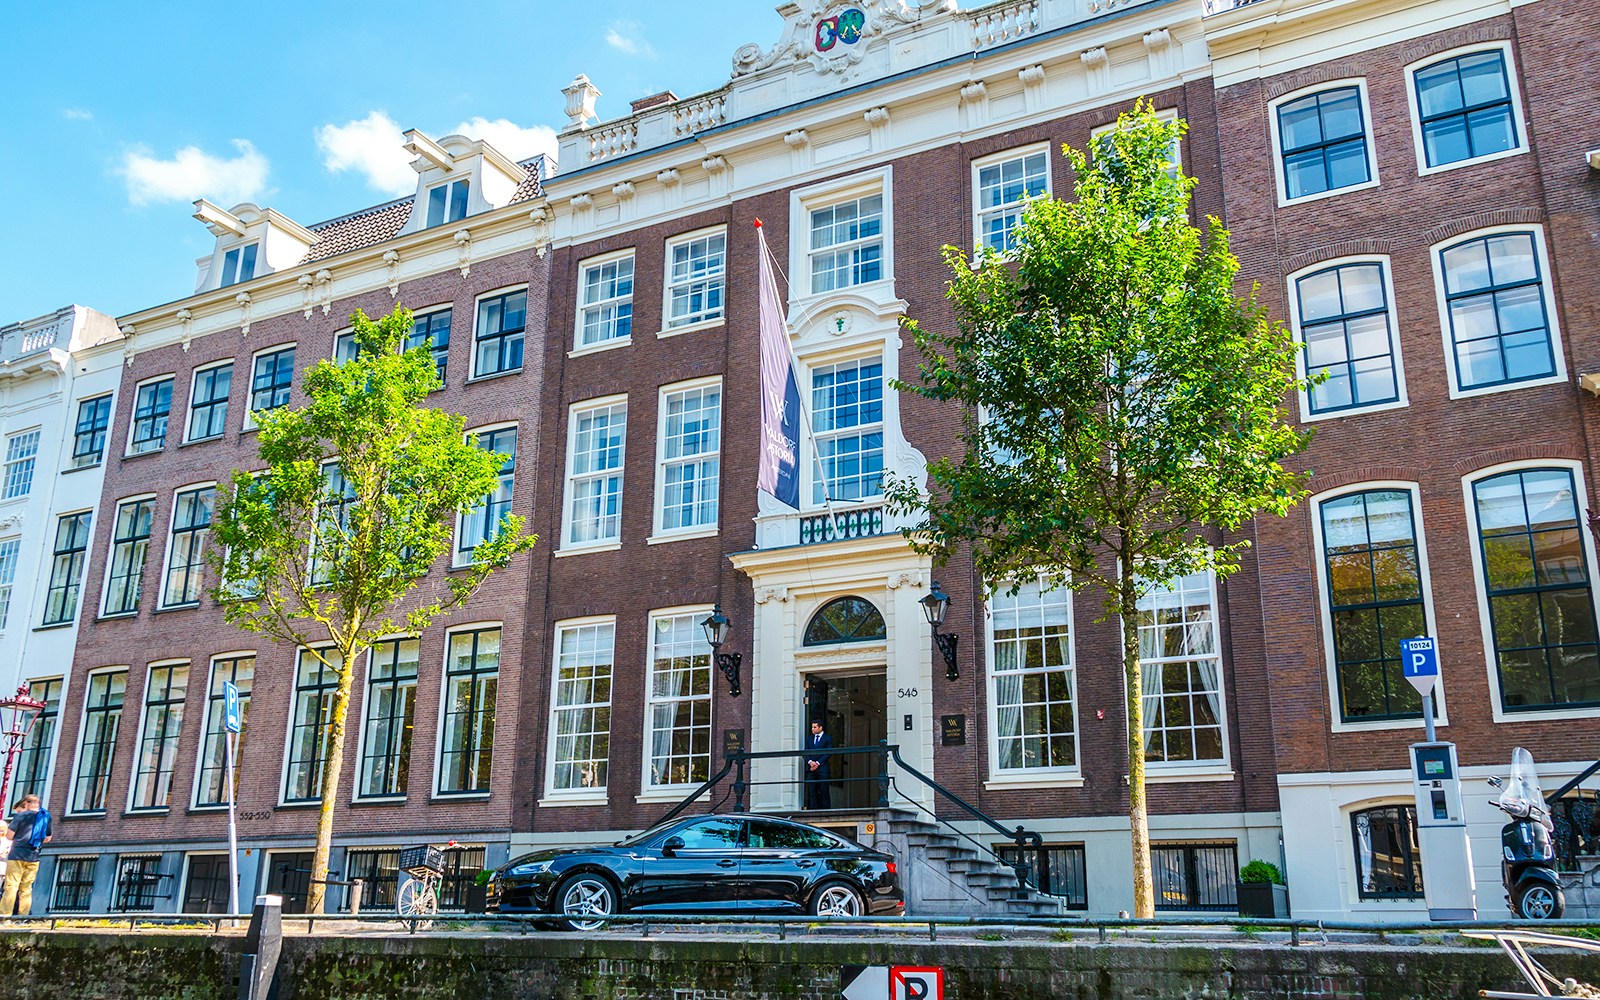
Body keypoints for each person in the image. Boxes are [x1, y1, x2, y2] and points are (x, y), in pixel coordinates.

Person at [0, 795, 51, 916]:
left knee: (11, 886)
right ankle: (23, 917)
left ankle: (5, 916)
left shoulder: (20, 816)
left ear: (27, 804)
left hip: (17, 855)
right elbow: (48, 838)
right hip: (34, 856)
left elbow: (9, 836)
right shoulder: (46, 817)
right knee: (26, 888)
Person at [804, 719, 833, 810]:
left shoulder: (828, 738)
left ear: (820, 728)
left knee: (824, 790)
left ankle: (826, 810)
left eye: (815, 727)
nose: (812, 729)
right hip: (811, 769)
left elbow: (828, 753)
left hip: (823, 768)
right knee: (812, 791)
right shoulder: (809, 738)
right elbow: (806, 751)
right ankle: (813, 810)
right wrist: (810, 762)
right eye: (812, 727)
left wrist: (817, 763)